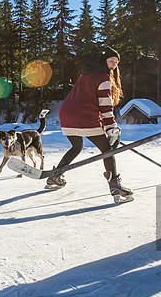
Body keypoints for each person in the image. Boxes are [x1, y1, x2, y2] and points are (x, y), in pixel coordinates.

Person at [46, 46, 132, 200]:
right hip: (82, 116)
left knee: (76, 146)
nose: (114, 65)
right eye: (112, 61)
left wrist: (107, 126)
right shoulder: (102, 77)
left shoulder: (87, 74)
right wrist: (111, 128)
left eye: (116, 63)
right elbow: (105, 106)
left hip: (66, 115)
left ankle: (55, 176)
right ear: (103, 61)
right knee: (108, 150)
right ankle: (115, 184)